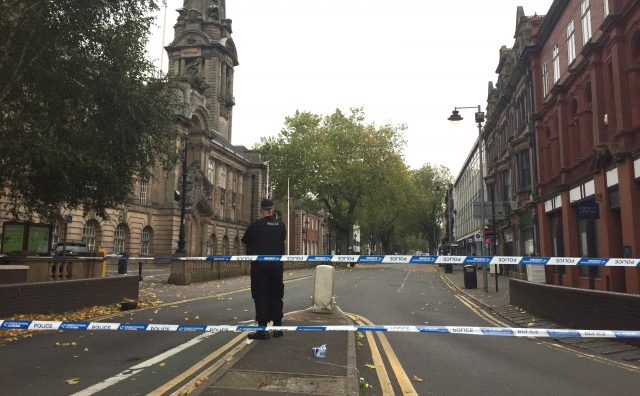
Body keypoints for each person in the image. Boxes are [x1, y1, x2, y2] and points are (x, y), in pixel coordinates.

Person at [241, 198, 287, 340]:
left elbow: (245, 240)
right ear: (272, 210)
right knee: (276, 294)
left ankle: (262, 330)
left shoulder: (256, 225)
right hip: (276, 266)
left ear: (261, 210)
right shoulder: (281, 225)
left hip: (260, 266)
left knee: (261, 296)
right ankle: (278, 328)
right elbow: (282, 239)